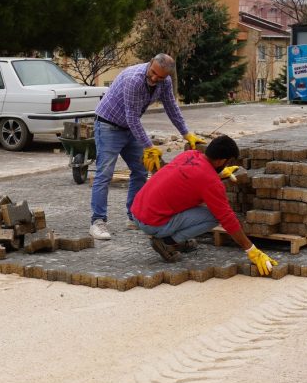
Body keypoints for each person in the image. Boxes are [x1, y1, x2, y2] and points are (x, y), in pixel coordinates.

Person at [89, 53, 204, 240]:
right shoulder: (133, 79)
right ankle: (97, 221)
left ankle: (133, 216)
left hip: (128, 127)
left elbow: (171, 107)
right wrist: (149, 146)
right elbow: (132, 117)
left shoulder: (164, 82)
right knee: (104, 174)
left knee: (141, 171)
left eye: (159, 77)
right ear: (150, 63)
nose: (154, 79)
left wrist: (186, 133)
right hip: (108, 125)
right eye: (152, 73)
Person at [130, 135, 279, 276]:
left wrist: (217, 174)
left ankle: (171, 236)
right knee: (215, 216)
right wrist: (251, 249)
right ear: (221, 161)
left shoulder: (189, 154)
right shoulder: (210, 182)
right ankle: (167, 242)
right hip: (152, 223)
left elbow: (189, 177)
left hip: (137, 210)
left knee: (194, 200)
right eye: (228, 162)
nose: (228, 165)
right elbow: (227, 218)